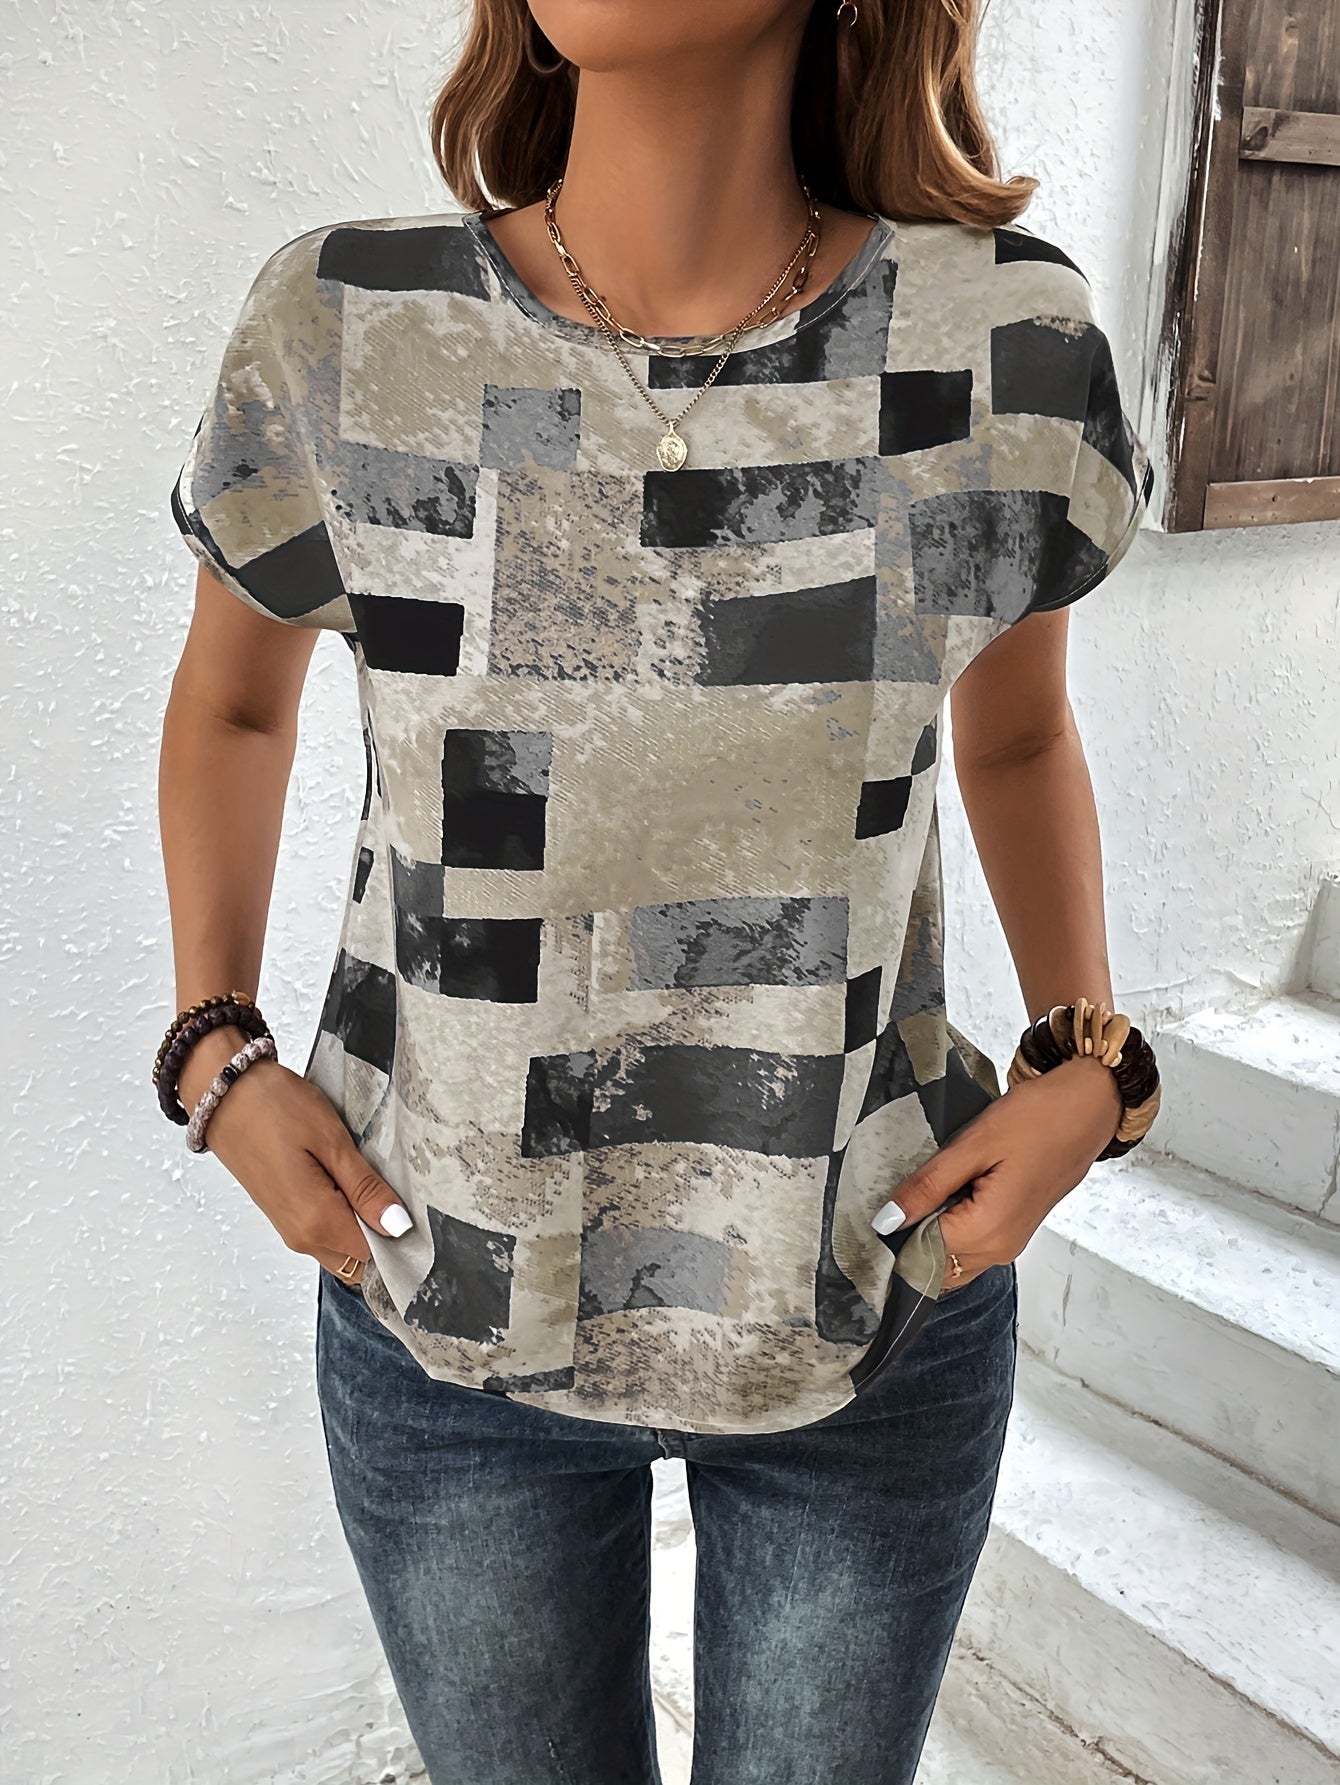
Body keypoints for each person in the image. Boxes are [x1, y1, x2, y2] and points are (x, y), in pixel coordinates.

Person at [156, 1, 1162, 1779]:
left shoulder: (1007, 349)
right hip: (449, 1304)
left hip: (865, 1296)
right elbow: (235, 703)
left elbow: (1015, 739)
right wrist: (212, 1048)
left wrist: (1091, 1063)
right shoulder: (347, 331)